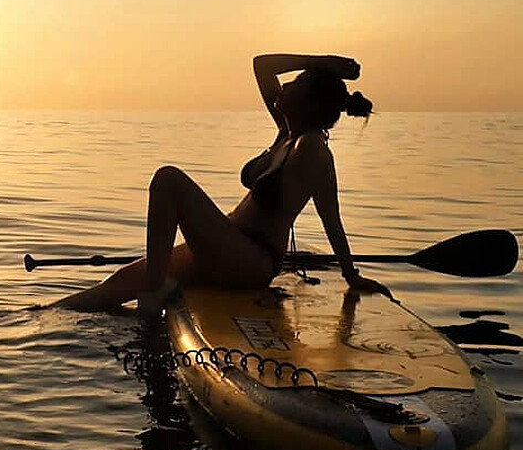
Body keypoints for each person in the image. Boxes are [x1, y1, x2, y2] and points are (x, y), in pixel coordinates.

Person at [52, 53, 390, 314]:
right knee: (121, 282)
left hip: (252, 261)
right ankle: (35, 318)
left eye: (295, 84)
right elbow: (262, 64)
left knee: (168, 180)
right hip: (225, 246)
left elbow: (331, 217)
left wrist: (351, 275)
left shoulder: (312, 147)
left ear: (310, 103)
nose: (283, 87)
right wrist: (320, 62)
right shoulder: (287, 133)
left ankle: (154, 297)